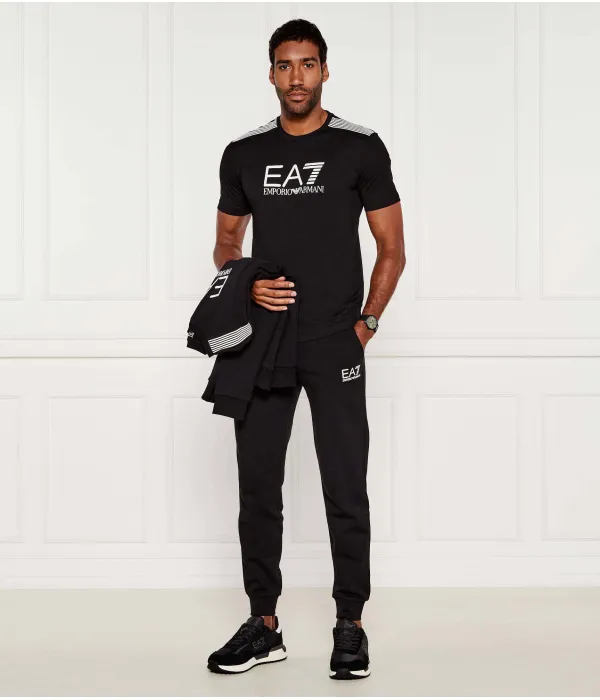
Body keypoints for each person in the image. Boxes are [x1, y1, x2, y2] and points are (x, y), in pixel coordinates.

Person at [206, 18, 406, 680]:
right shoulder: (243, 153)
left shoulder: (359, 147)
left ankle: (350, 623)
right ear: (270, 73)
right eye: (285, 65)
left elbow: (392, 247)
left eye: (308, 64)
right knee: (258, 484)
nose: (297, 77)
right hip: (264, 343)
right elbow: (226, 242)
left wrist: (366, 323)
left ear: (325, 70)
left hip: (333, 339)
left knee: (345, 483)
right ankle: (264, 625)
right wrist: (246, 281)